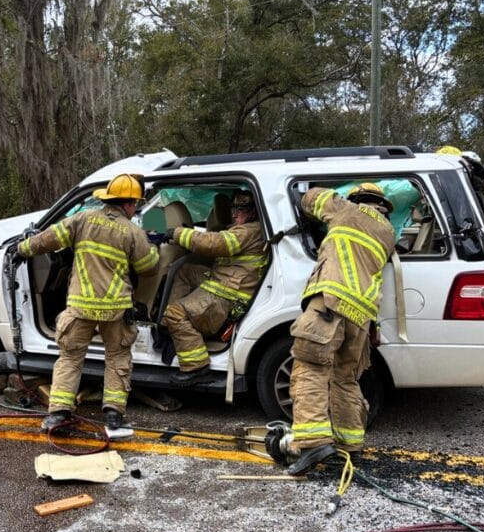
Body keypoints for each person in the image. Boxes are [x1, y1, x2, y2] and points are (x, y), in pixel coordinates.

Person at [13, 173, 159, 438]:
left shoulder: (82, 219)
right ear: (127, 204)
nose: (135, 208)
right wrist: (154, 249)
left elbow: (48, 239)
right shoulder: (132, 231)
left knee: (70, 357)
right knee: (117, 357)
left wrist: (21, 248)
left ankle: (57, 415)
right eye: (135, 204)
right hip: (115, 309)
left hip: (80, 307)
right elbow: (148, 269)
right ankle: (114, 414)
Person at [282, 183, 396, 475]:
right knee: (346, 378)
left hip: (330, 304)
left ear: (356, 199)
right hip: (361, 316)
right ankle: (349, 446)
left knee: (309, 368)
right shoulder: (388, 233)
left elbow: (311, 199)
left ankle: (312, 444)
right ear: (382, 205)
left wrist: (306, 191)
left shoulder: (346, 210)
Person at [160, 191, 269, 386]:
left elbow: (216, 244)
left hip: (227, 294)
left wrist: (178, 233)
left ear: (253, 212)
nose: (235, 214)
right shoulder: (250, 228)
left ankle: (196, 367)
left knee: (175, 313)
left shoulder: (248, 231)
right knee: (185, 270)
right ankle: (176, 328)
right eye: (233, 209)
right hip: (228, 282)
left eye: (241, 209)